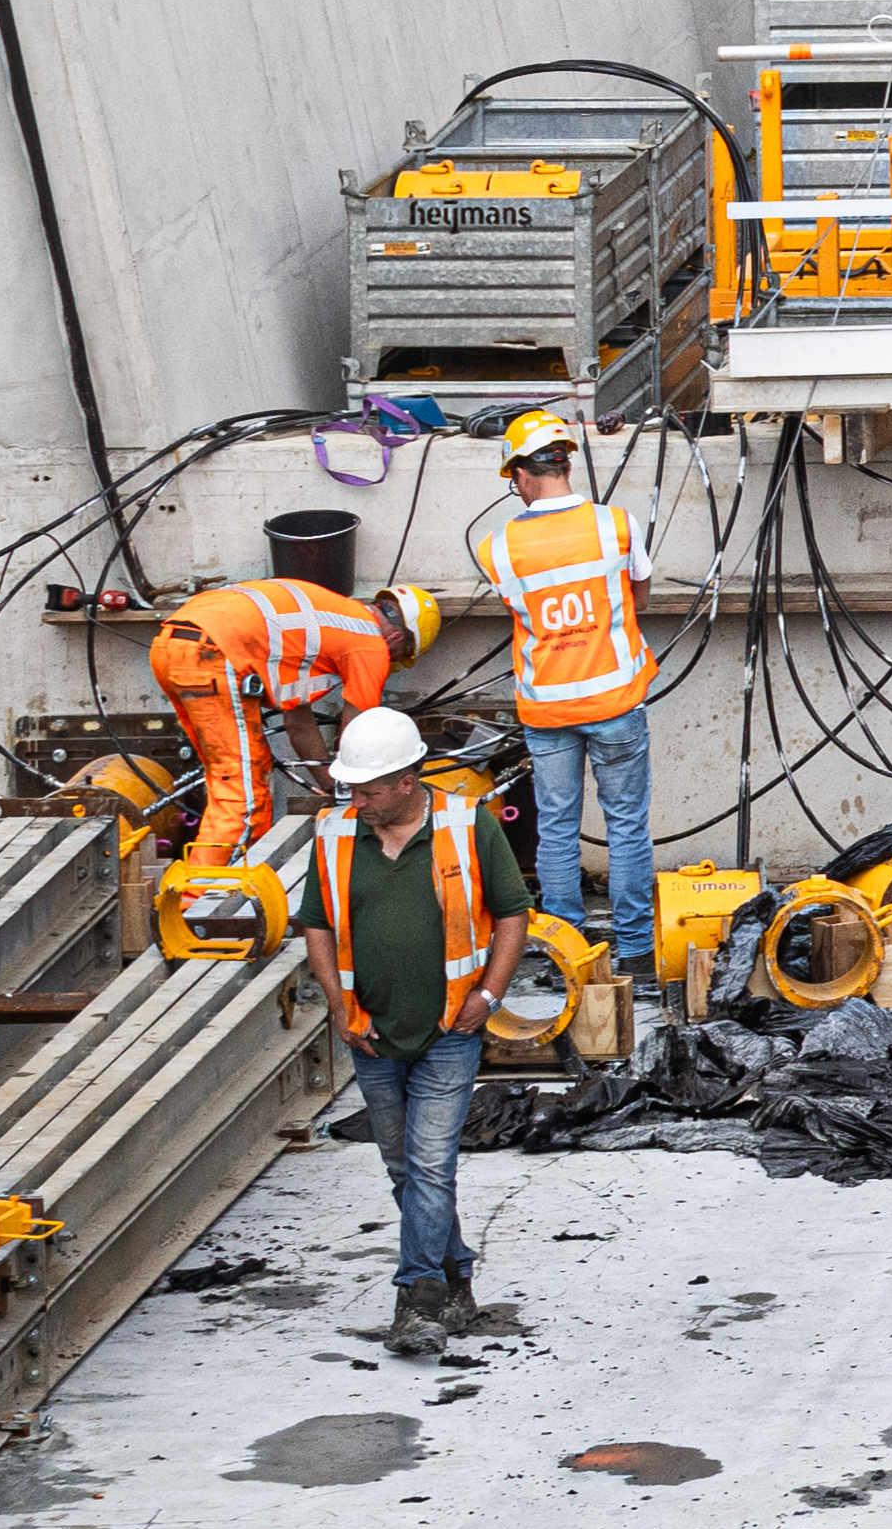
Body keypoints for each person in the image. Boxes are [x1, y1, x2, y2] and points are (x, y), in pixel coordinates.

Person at [293, 706, 518, 1344]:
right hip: (372, 1033)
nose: (355, 800)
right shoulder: (335, 834)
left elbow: (511, 913)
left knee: (429, 1164)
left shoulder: (468, 823)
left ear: (407, 781)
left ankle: (416, 1298)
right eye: (351, 789)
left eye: (367, 790)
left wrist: (492, 994)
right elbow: (316, 923)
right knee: (403, 1167)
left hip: (450, 1030)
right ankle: (457, 1276)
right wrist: (338, 1005)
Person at [475, 409, 665, 940]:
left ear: (520, 473)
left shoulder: (497, 549)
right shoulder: (616, 525)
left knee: (556, 829)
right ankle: (633, 947)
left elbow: (523, 612)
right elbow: (640, 598)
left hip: (548, 710)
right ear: (565, 464)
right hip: (616, 703)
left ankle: (565, 947)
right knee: (626, 826)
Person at [149, 567, 406, 875]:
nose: (390, 664)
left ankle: (205, 887)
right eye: (400, 656)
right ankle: (201, 902)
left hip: (172, 645)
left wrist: (331, 786)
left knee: (227, 777)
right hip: (214, 651)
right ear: (396, 637)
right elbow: (354, 737)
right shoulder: (369, 641)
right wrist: (356, 789)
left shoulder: (326, 619)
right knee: (245, 798)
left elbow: (299, 724)